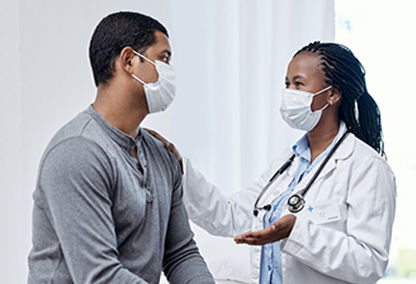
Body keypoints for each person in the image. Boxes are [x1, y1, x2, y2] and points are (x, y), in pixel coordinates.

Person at [148, 41, 396, 284]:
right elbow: (231, 215)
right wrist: (179, 168)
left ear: (332, 94)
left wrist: (297, 233)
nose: (289, 93)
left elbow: (369, 263)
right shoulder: (289, 163)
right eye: (287, 84)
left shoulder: (366, 167)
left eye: (298, 84)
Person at [27, 11, 214, 284]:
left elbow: (180, 253)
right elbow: (99, 276)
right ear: (129, 61)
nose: (170, 71)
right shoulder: (77, 152)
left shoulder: (162, 156)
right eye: (164, 59)